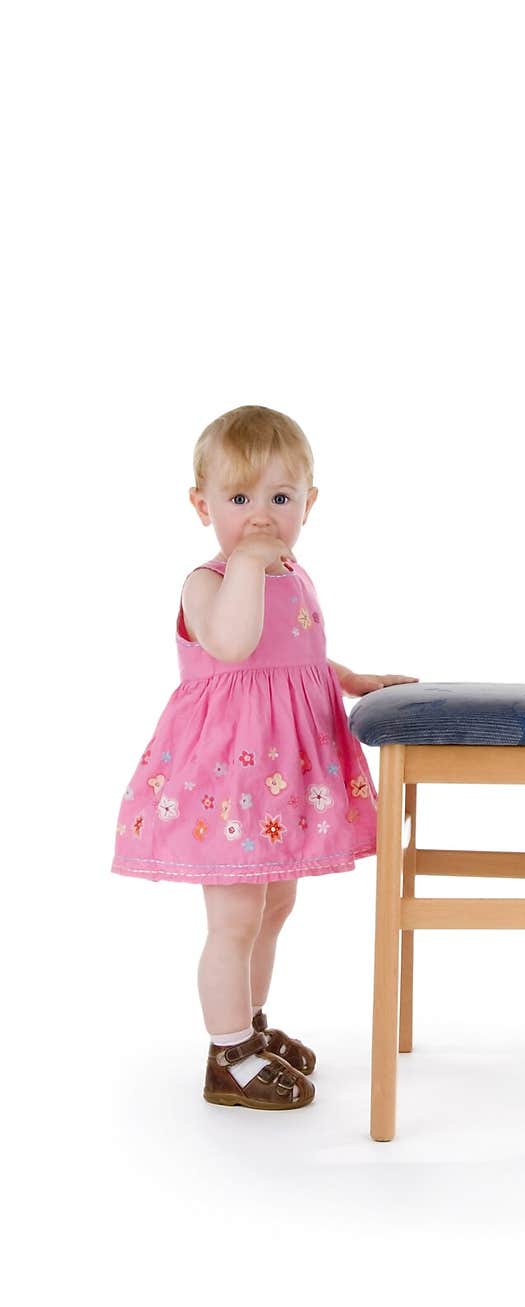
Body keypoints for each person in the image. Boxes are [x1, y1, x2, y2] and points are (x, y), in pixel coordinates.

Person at [110, 405, 417, 1111]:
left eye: (281, 498)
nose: (260, 516)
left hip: (281, 775)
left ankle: (247, 1029)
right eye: (240, 499)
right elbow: (235, 645)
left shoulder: (292, 572)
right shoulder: (209, 581)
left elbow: (293, 650)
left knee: (276, 906)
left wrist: (349, 678)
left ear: (310, 503)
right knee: (235, 920)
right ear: (202, 505)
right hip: (231, 778)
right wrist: (247, 562)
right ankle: (225, 1056)